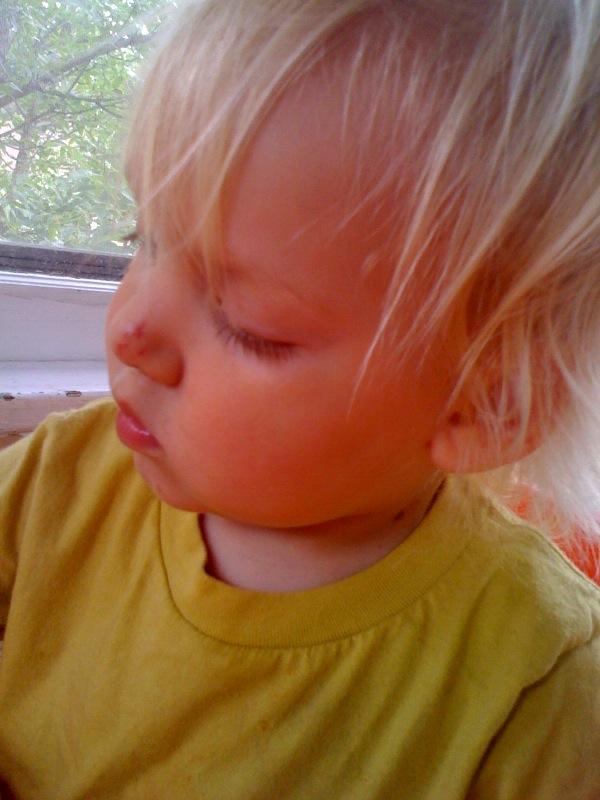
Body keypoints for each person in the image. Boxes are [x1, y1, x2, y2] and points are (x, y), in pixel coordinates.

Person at [1, 0, 599, 797]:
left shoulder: (541, 695)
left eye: (247, 325)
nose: (130, 328)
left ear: (487, 405)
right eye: (144, 240)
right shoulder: (55, 482)